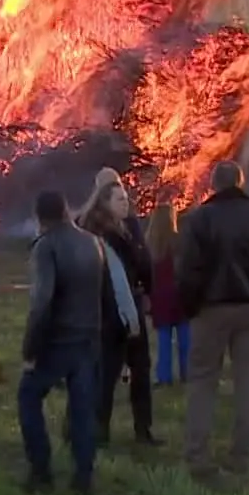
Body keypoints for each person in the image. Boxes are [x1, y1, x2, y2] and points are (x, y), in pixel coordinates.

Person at [177, 161, 249, 475]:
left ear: (213, 184)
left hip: (210, 308)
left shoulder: (199, 220)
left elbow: (187, 270)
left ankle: (197, 456)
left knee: (203, 380)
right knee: (247, 380)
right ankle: (240, 457)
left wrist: (191, 307)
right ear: (241, 183)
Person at [18, 190, 109, 495]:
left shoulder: (47, 246)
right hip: (89, 338)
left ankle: (41, 470)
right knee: (83, 409)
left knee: (29, 396)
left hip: (59, 340)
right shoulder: (92, 242)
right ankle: (84, 477)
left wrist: (30, 349)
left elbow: (42, 301)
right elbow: (102, 293)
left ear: (40, 217)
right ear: (66, 210)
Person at [78, 181, 156, 446]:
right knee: (107, 374)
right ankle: (100, 432)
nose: (126, 203)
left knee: (141, 370)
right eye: (119, 199)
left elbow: (144, 265)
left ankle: (143, 430)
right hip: (110, 312)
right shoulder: (96, 234)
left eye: (126, 198)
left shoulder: (129, 229)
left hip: (132, 304)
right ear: (104, 203)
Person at [145, 202, 189, 386]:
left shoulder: (149, 244)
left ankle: (164, 376)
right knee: (185, 338)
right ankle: (187, 373)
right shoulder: (180, 241)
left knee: (163, 340)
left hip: (159, 297)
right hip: (180, 295)